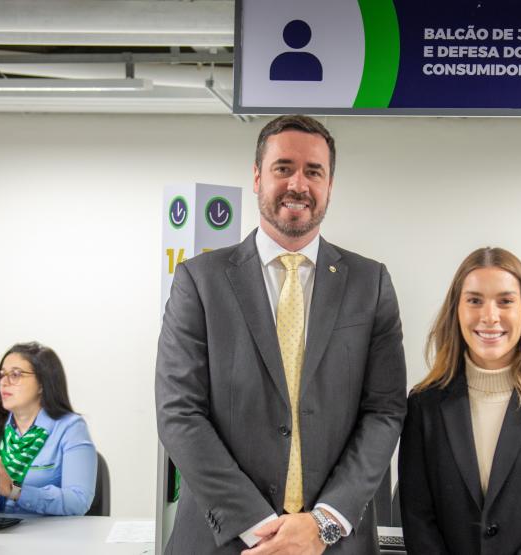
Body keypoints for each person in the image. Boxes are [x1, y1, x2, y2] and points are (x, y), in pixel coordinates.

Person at [155, 115, 407, 554]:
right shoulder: (200, 281)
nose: (298, 184)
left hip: (333, 542)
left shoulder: (372, 283)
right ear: (257, 176)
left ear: (330, 184)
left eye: (314, 172)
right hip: (226, 541)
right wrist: (261, 527)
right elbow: (179, 411)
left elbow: (384, 412)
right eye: (283, 168)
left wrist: (324, 522)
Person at [399, 247, 521, 554]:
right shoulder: (424, 406)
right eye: (474, 300)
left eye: (505, 301)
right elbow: (418, 519)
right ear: (456, 310)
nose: (489, 316)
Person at [0, 342, 97, 516]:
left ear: (42, 384)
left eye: (15, 374)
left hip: (48, 537)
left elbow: (77, 502)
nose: (4, 382)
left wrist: (14, 490)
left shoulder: (70, 427)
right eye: (1, 375)